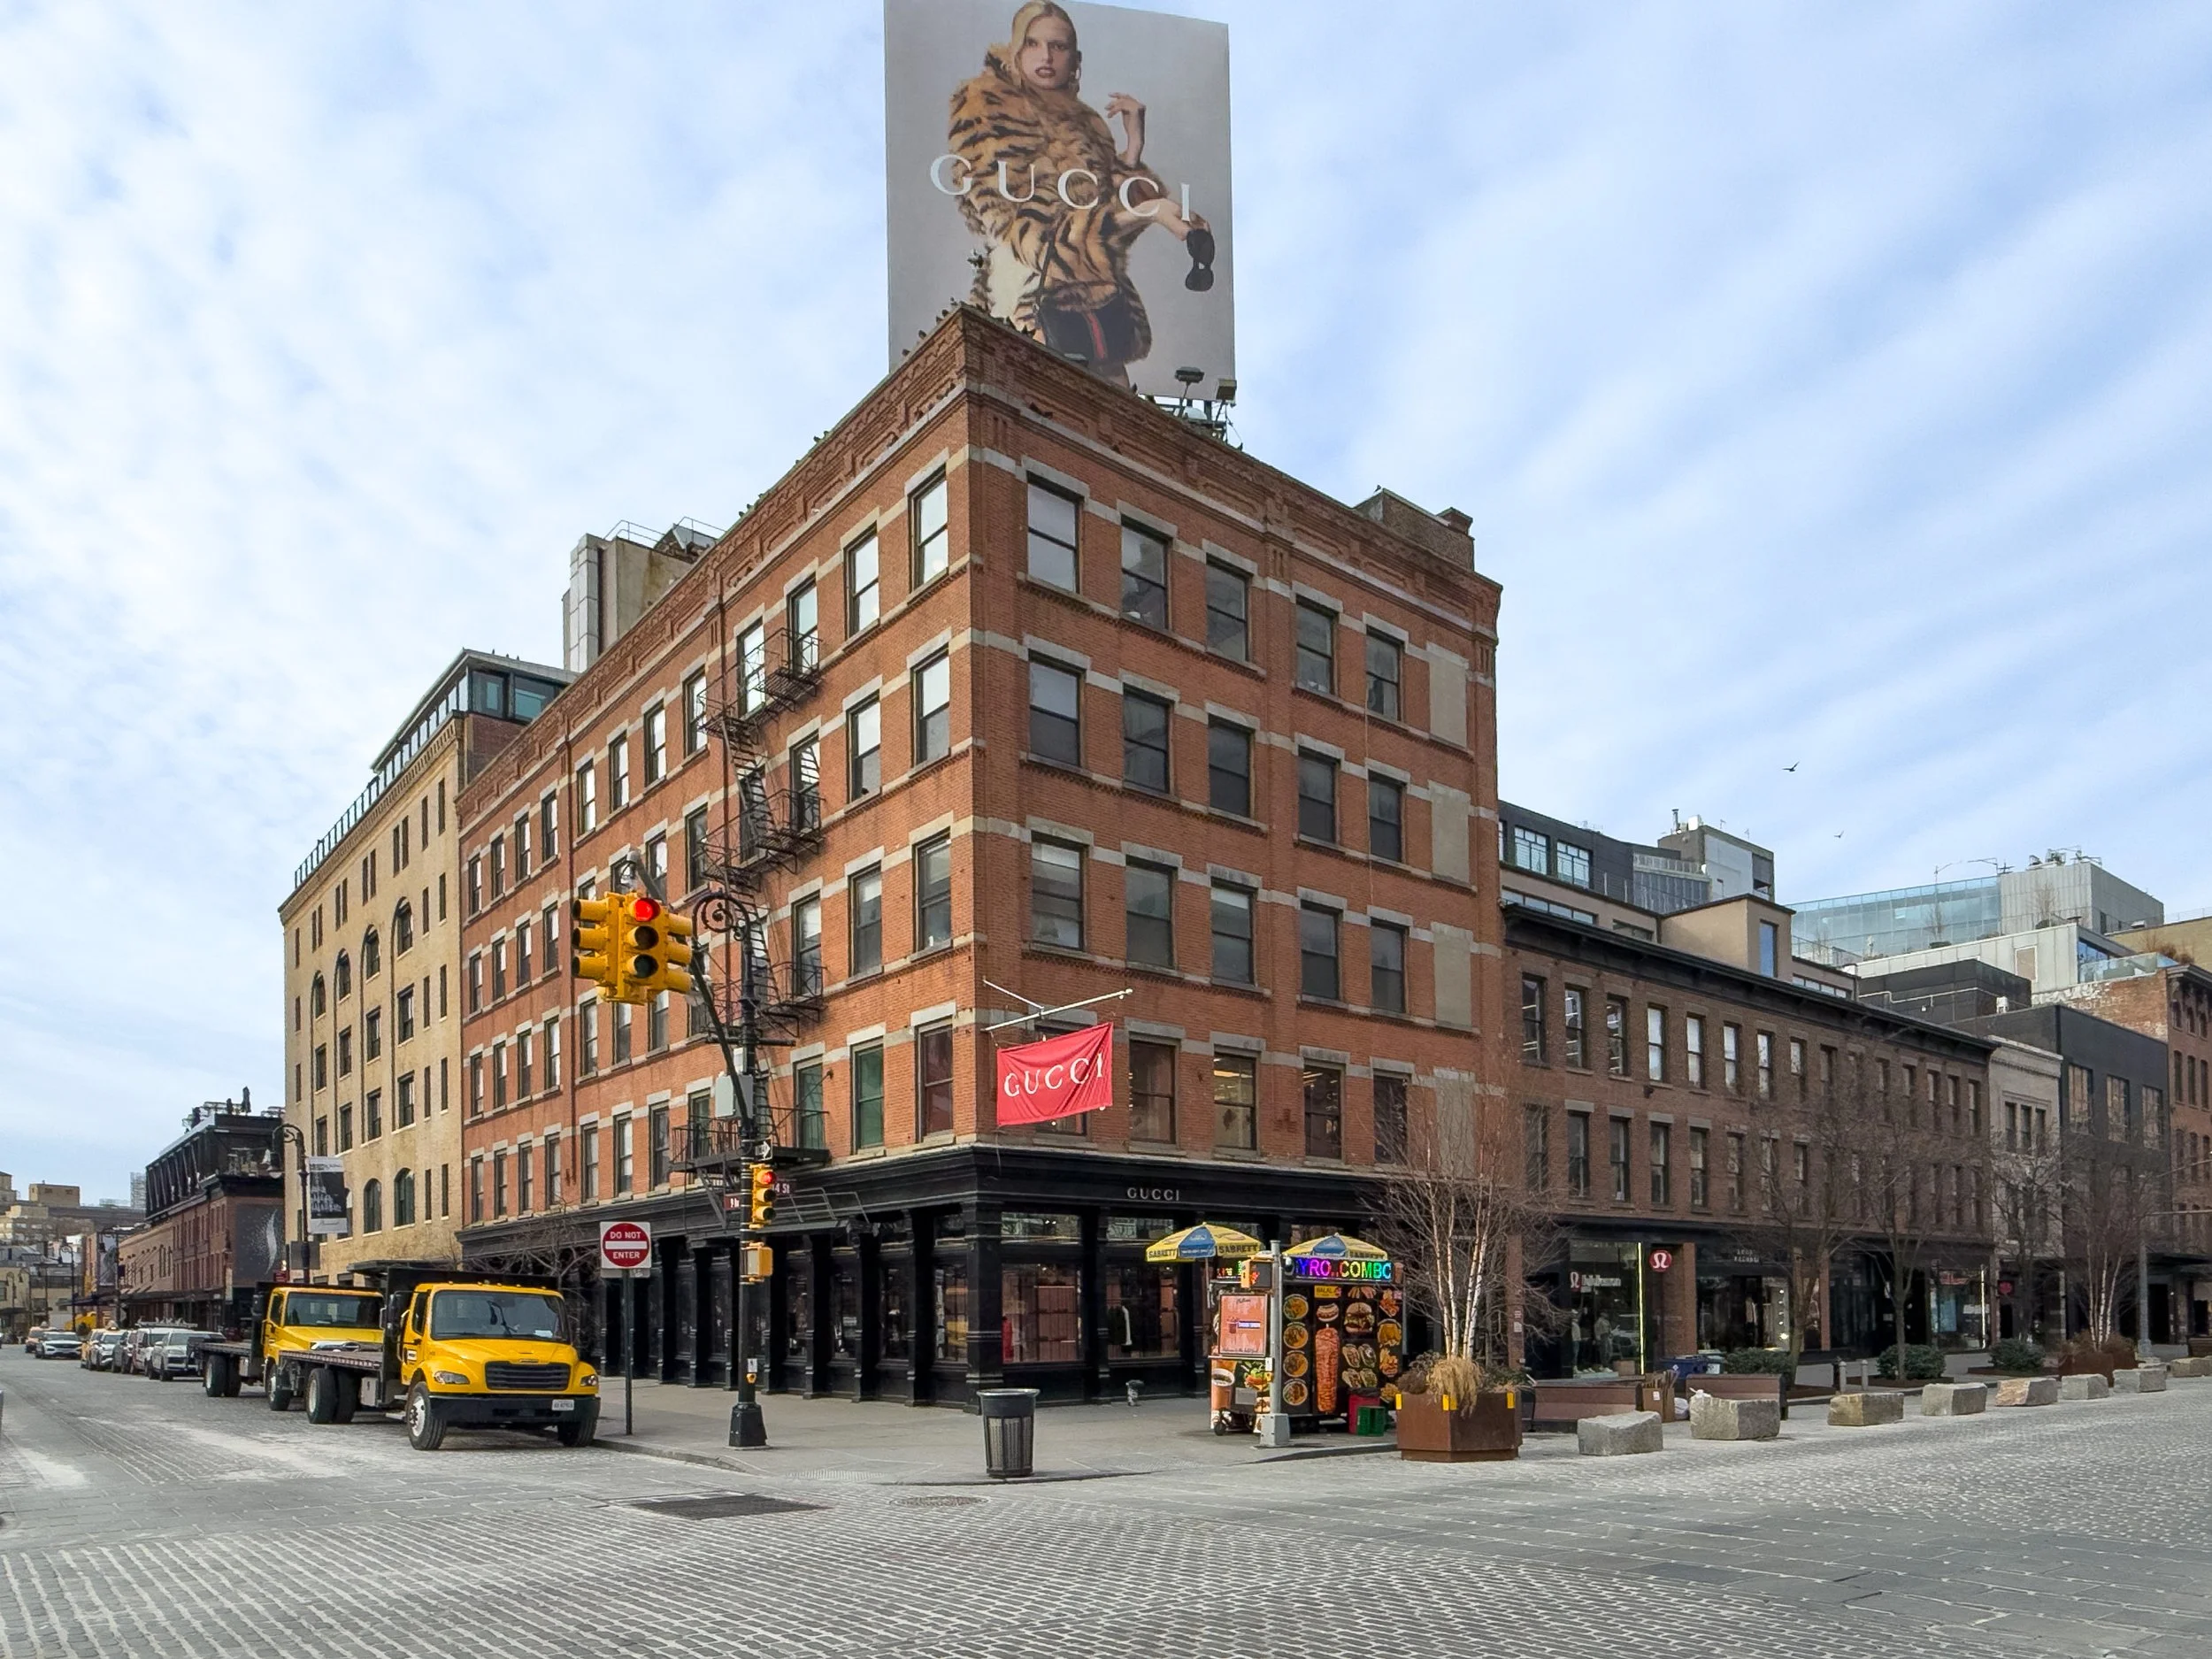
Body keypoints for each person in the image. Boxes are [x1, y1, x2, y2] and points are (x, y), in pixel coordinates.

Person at [948, 1, 1209, 383]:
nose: (1046, 57)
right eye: (1033, 44)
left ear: (1075, 59)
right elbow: (1029, 238)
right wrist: (1146, 211)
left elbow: (1107, 228)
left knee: (1115, 407)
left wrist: (1132, 152)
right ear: (1016, 49)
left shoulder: (1086, 121)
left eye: (1059, 46)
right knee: (1047, 398)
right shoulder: (986, 106)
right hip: (1027, 288)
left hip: (1096, 294)